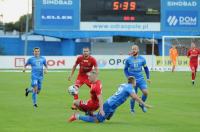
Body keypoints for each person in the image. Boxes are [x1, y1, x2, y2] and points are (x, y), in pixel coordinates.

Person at [68, 76, 152, 123]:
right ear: (133, 82)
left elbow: (121, 88)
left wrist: (127, 95)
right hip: (110, 104)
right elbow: (135, 97)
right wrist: (145, 104)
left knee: (108, 118)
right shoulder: (130, 88)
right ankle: (77, 116)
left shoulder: (124, 85)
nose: (136, 83)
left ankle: (90, 113)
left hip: (112, 105)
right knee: (98, 120)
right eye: (135, 82)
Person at [124, 45, 151, 113]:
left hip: (140, 79)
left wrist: (148, 77)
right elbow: (125, 69)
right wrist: (128, 77)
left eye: (135, 49)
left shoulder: (142, 59)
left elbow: (146, 68)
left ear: (138, 50)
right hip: (133, 80)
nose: (134, 50)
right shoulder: (128, 59)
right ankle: (132, 109)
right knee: (133, 96)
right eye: (133, 49)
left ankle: (141, 104)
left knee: (146, 92)